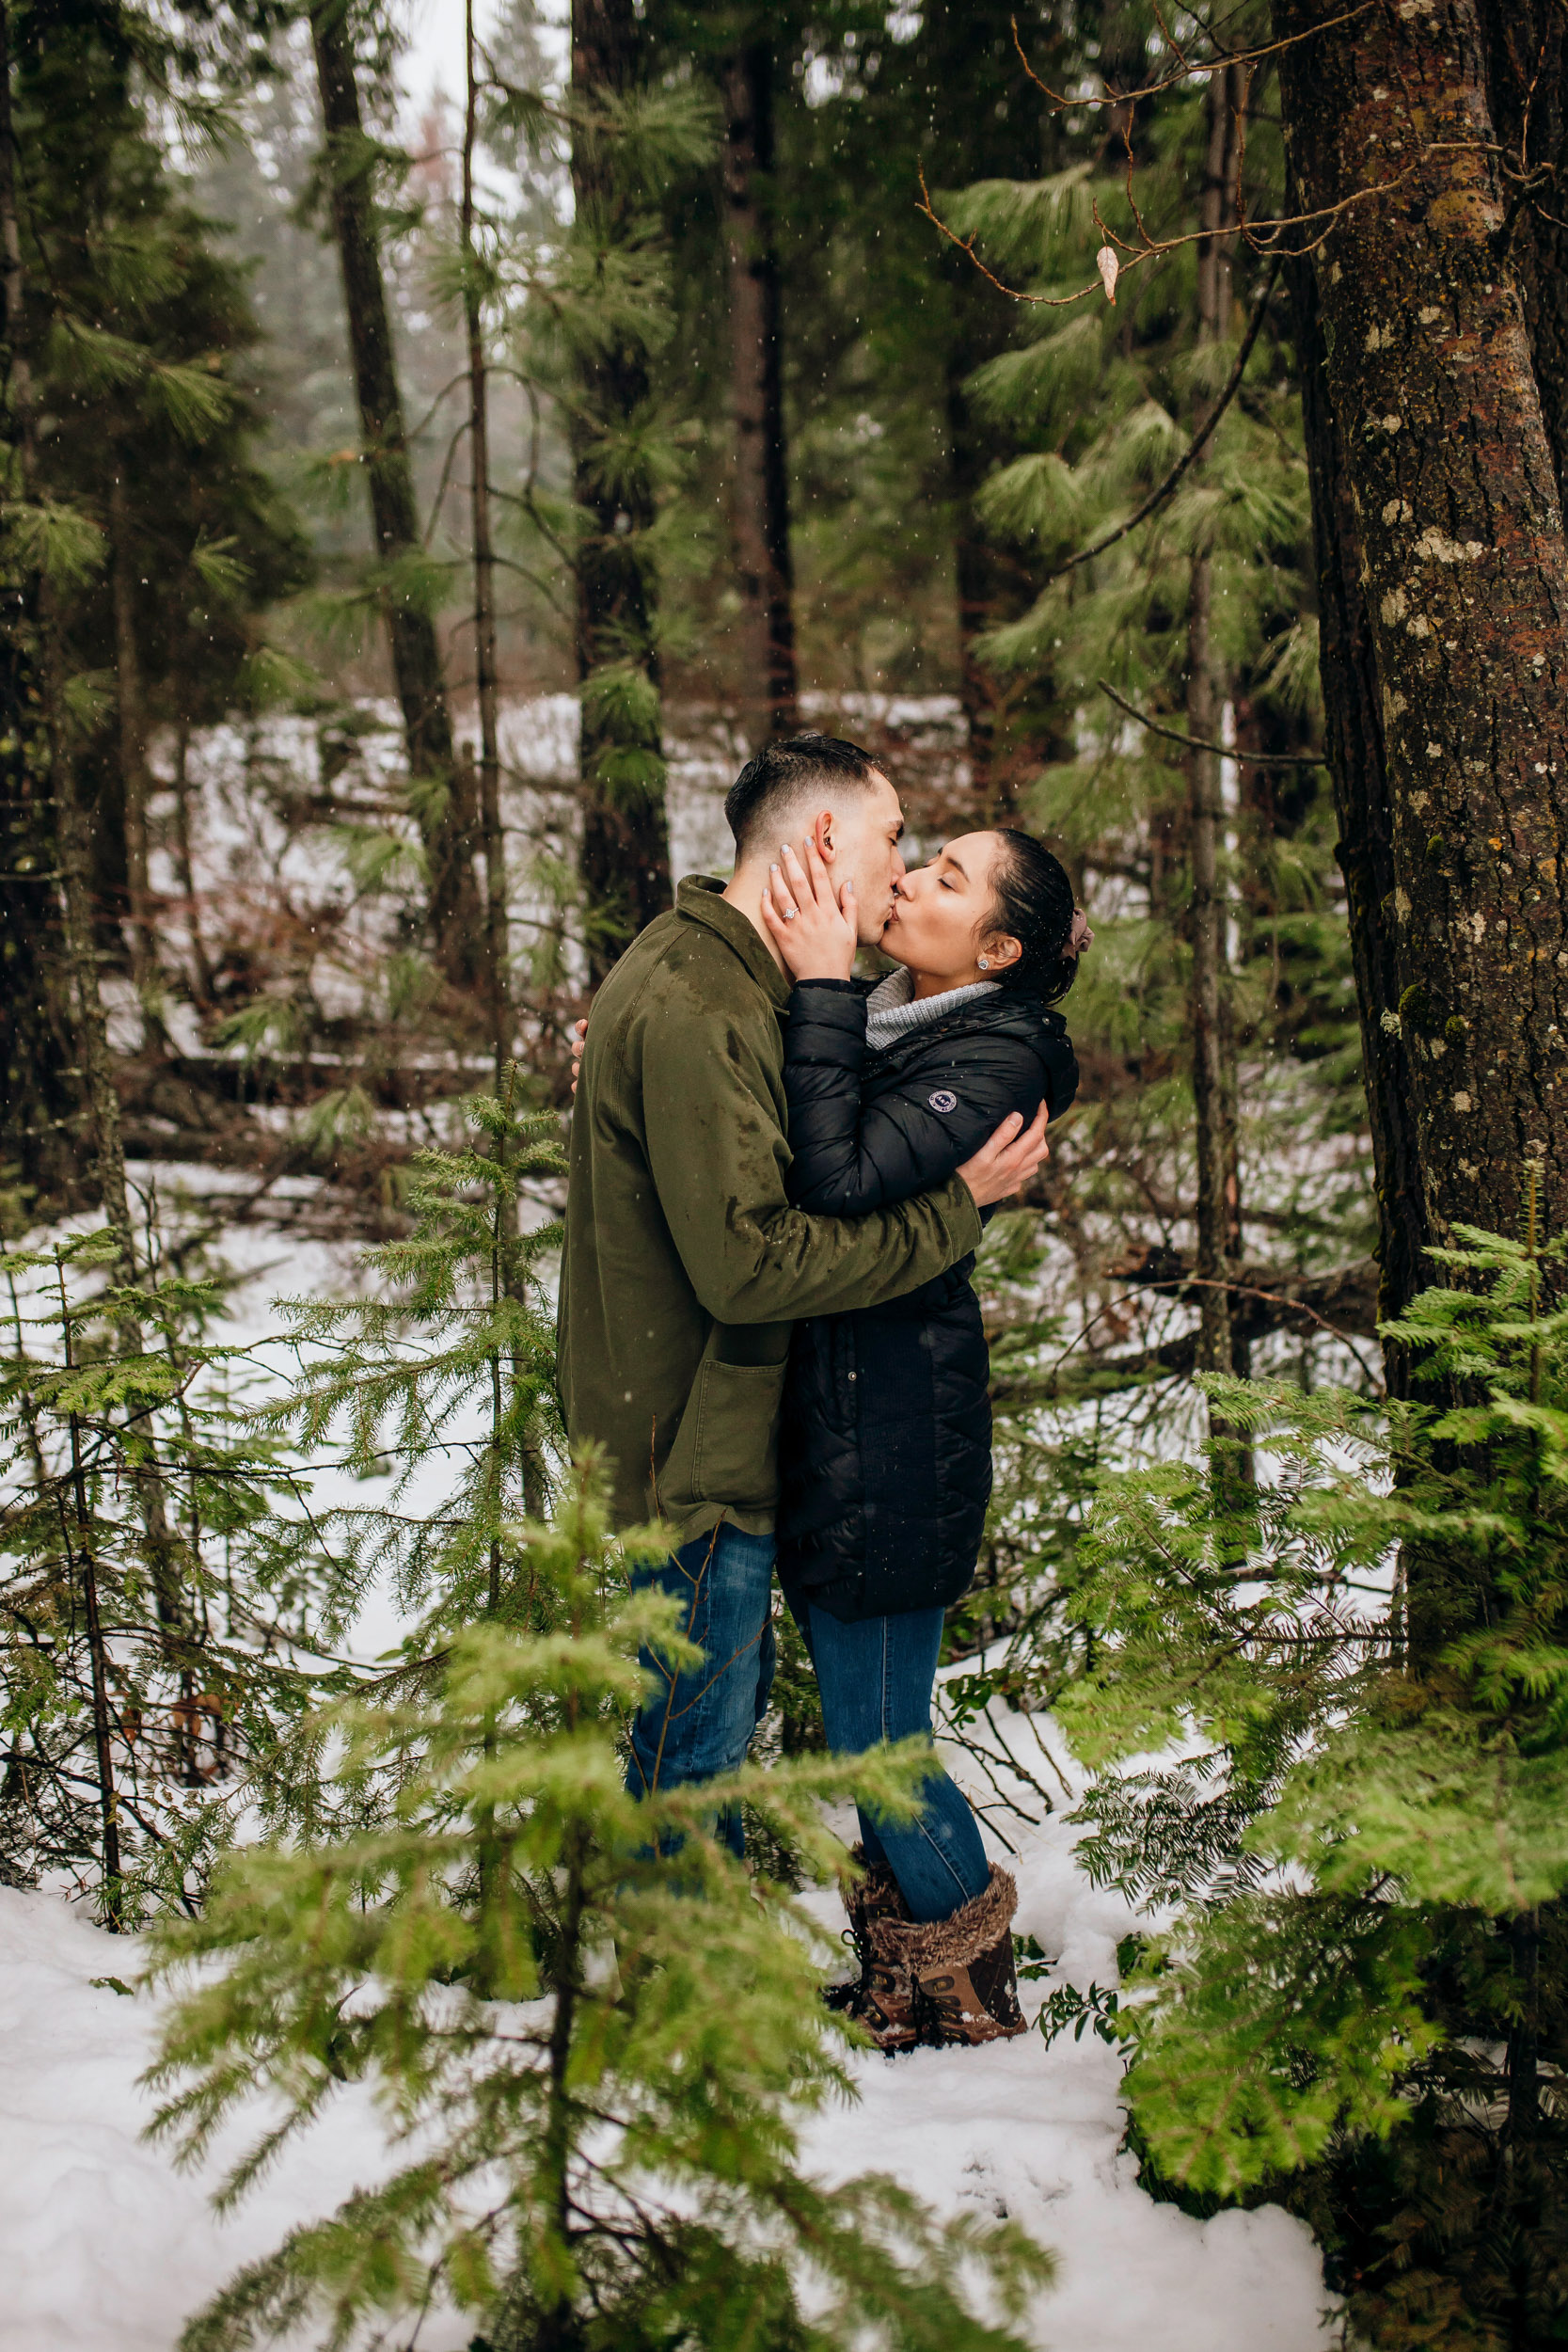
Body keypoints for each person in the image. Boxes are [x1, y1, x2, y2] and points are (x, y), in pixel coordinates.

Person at [559, 736, 1051, 1867]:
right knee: (689, 1769)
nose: (898, 873)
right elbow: (752, 1264)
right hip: (690, 1450)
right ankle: (691, 2028)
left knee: (696, 1754)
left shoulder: (718, 976)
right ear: (827, 838)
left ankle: (700, 2001)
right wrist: (955, 1210)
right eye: (892, 841)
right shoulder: (701, 999)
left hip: (710, 1433)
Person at [756, 823, 1089, 2050]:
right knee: (866, 1741)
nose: (908, 880)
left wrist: (820, 986)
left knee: (882, 1750)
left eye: (948, 880)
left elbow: (833, 1179)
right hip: (851, 1428)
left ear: (996, 947)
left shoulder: (996, 1057)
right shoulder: (913, 1023)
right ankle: (905, 1983)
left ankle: (973, 2003)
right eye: (928, 856)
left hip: (893, 1451)